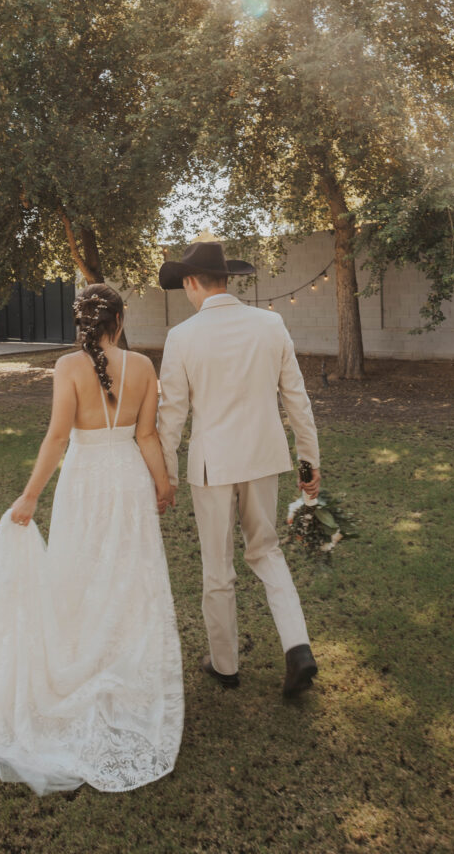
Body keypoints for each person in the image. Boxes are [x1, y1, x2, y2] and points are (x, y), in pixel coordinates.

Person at [0, 284, 183, 794]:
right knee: (128, 577)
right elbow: (147, 436)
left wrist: (29, 497)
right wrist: (163, 483)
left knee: (78, 573)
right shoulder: (145, 367)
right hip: (128, 479)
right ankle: (121, 669)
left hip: (85, 480)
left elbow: (58, 438)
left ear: (82, 321)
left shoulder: (68, 367)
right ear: (121, 318)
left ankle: (82, 665)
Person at [157, 241, 321, 698]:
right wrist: (309, 462)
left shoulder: (182, 336)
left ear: (192, 283)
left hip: (212, 467)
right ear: (226, 279)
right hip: (264, 458)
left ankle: (225, 664)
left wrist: (165, 478)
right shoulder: (271, 323)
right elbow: (297, 400)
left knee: (218, 567)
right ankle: (297, 647)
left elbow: (170, 416)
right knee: (266, 551)